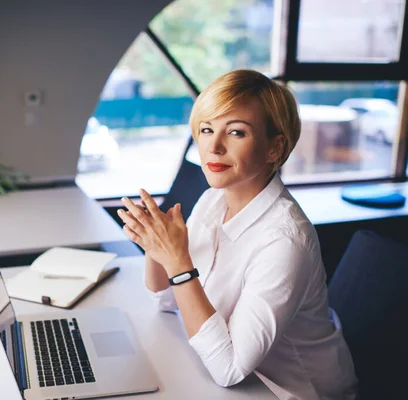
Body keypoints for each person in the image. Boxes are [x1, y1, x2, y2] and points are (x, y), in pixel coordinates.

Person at [117, 70, 358, 399]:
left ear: (275, 148)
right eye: (206, 129)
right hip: (234, 378)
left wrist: (177, 260)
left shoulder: (285, 240)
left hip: (290, 392)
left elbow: (228, 369)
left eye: (236, 132)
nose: (214, 147)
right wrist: (155, 243)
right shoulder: (213, 200)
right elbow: (166, 298)